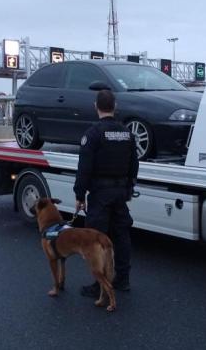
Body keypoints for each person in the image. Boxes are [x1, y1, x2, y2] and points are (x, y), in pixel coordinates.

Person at [74, 89, 139, 297]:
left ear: (96, 107)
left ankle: (99, 284)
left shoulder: (92, 134)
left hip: (100, 194)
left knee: (96, 240)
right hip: (120, 192)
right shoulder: (126, 133)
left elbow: (84, 167)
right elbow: (133, 165)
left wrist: (79, 195)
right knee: (121, 236)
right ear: (115, 107)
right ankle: (123, 279)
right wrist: (129, 187)